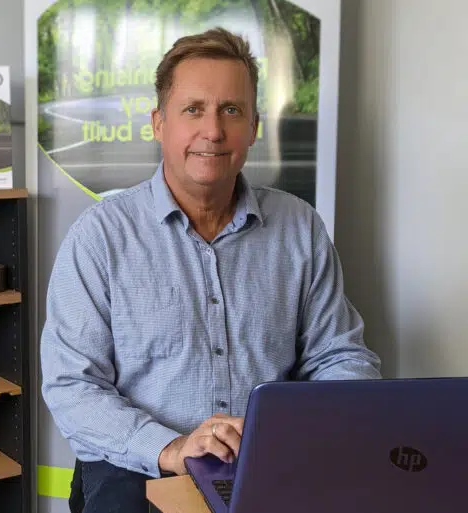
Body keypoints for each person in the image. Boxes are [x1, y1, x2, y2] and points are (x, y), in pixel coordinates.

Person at [40, 27, 382, 513]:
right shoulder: (100, 237)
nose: (214, 131)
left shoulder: (298, 227)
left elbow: (339, 355)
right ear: (159, 123)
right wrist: (172, 448)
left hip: (266, 459)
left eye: (232, 110)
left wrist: (316, 429)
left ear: (254, 127)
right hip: (140, 464)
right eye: (193, 109)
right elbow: (72, 385)